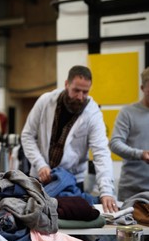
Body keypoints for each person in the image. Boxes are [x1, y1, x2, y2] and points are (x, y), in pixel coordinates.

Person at [21, 65, 118, 213]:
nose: (80, 96)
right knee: (37, 221)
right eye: (76, 90)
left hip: (72, 181)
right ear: (67, 84)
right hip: (39, 178)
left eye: (85, 92)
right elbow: (27, 135)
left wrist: (106, 191)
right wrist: (40, 164)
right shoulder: (46, 101)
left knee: (68, 223)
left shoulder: (93, 114)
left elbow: (101, 153)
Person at [110, 67, 149, 202]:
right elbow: (115, 143)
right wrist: (140, 154)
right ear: (142, 88)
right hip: (131, 190)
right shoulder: (128, 113)